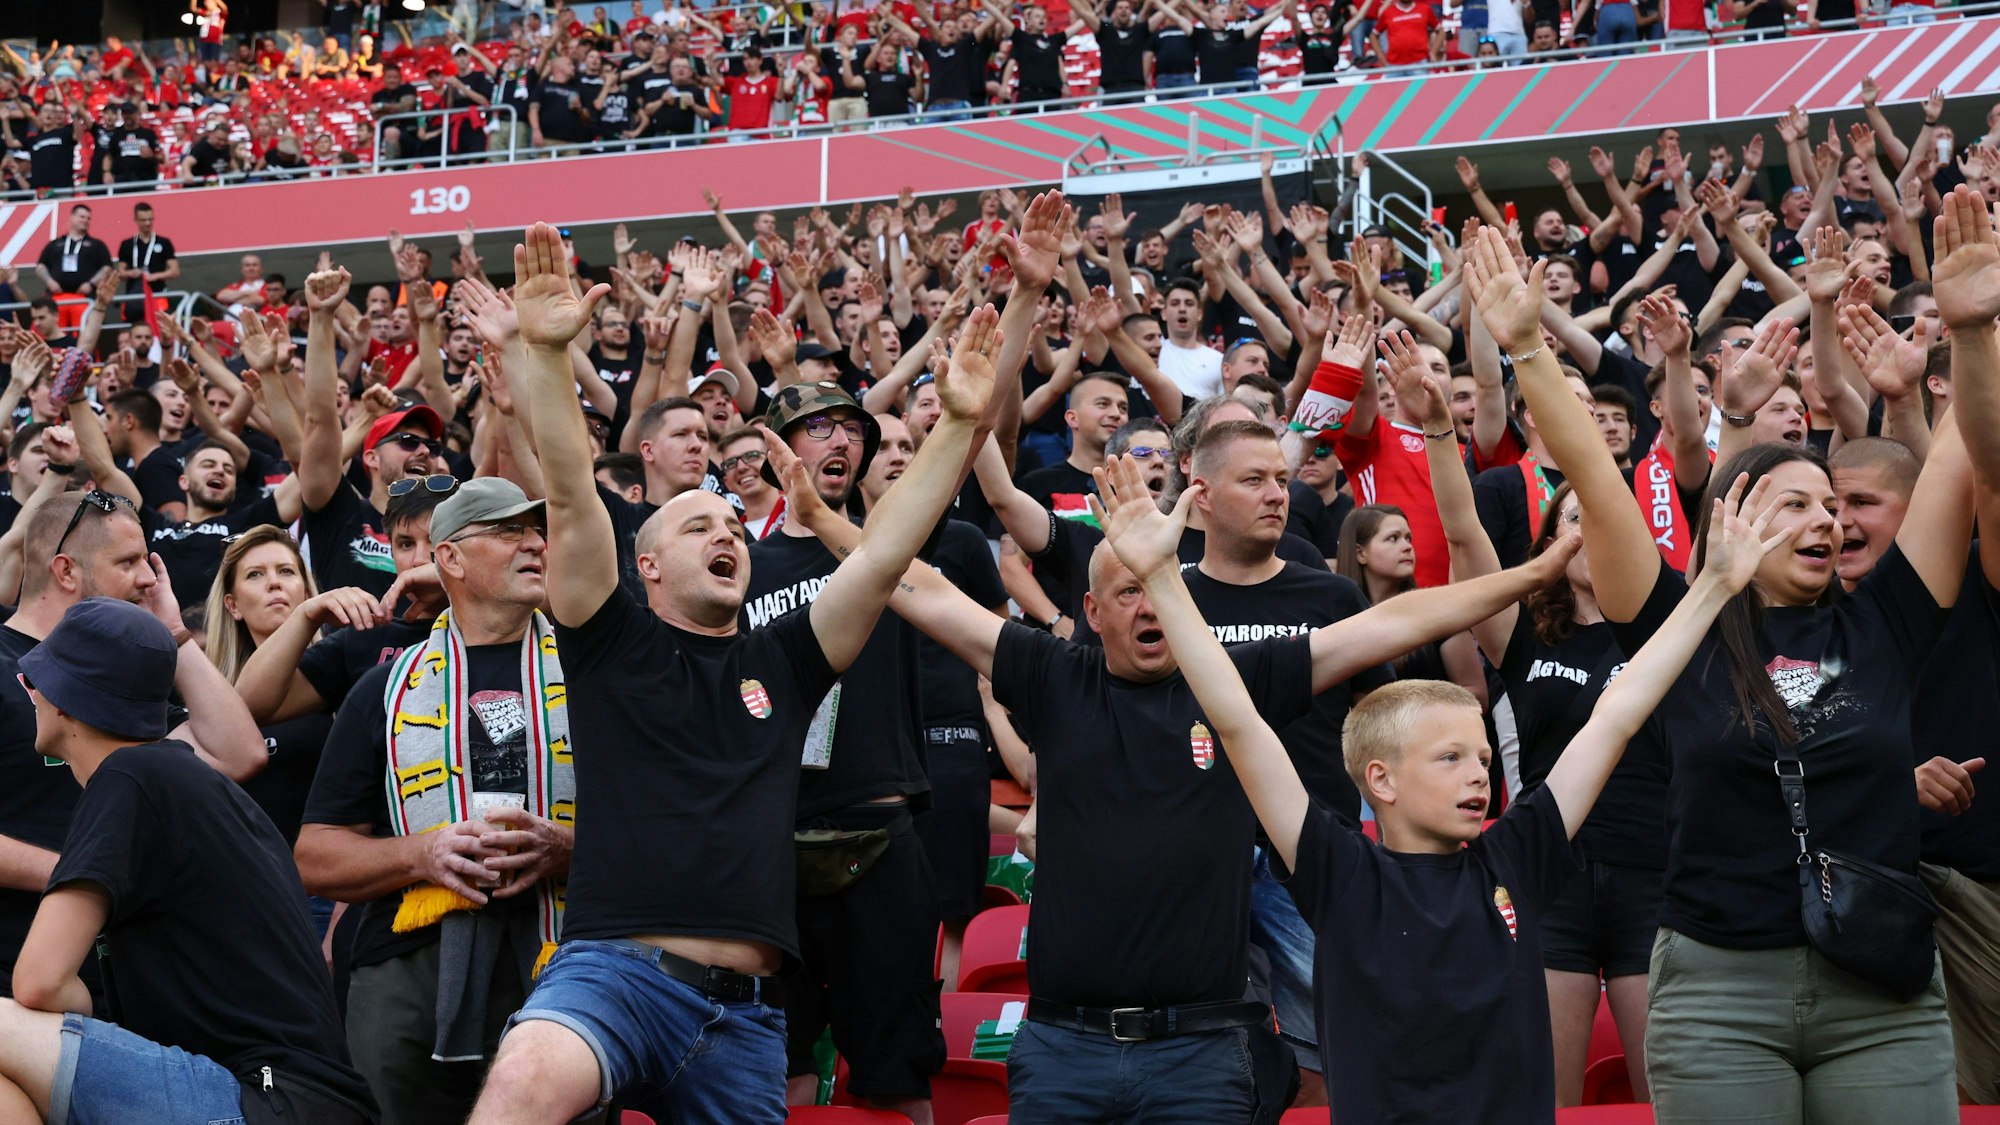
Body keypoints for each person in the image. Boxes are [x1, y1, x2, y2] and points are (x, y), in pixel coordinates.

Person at [793, 420, 1581, 1119]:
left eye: (1157, 587)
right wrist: (826, 520)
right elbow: (916, 584)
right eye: (1125, 591)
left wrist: (1532, 578)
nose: (1147, 607)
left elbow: (1390, 622)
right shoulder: (1052, 674)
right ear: (1091, 613)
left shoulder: (1229, 679)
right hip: (1064, 1045)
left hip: (1203, 1049)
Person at [463, 222, 997, 1124]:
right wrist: (547, 361)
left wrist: (956, 424)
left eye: (729, 524)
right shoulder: (607, 635)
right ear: (649, 568)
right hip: (612, 976)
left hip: (744, 1016)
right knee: (520, 1088)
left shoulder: (784, 660)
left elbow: (886, 551)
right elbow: (567, 490)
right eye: (694, 525)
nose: (722, 533)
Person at [1090, 424, 1776, 1119]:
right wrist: (1161, 580)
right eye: (1450, 758)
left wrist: (1714, 586)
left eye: (1481, 756)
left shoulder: (1516, 852)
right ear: (1380, 780)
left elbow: (1618, 712)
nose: (1479, 775)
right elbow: (1237, 719)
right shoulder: (1339, 869)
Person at [1466, 217, 1977, 1123]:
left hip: (1883, 991)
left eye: (1832, 507)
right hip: (1718, 991)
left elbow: (1961, 464)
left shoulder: (1886, 619)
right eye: (1796, 505)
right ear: (1734, 517)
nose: (1825, 522)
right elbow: (1590, 467)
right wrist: (1526, 350)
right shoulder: (1678, 626)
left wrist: (1977, 332)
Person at [0, 597, 377, 1124]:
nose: (31, 694)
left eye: (32, 683)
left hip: (264, 1097)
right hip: (294, 1098)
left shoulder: (128, 778)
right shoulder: (179, 779)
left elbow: (37, 981)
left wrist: (74, 1021)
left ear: (63, 700)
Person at [297, 477, 574, 1125]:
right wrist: (426, 853)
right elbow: (314, 856)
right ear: (448, 557)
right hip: (408, 965)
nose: (534, 543)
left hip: (564, 955)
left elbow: (653, 827)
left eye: (539, 530)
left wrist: (566, 847)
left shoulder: (598, 673)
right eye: (509, 530)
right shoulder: (385, 687)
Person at [1179, 418, 1390, 1108]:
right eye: (1253, 480)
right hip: (1193, 859)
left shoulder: (1330, 596)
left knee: (1328, 1053)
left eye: (1280, 478)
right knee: (1199, 1060)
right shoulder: (1166, 601)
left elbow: (1386, 716)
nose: (1277, 493)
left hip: (1313, 854)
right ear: (1200, 493)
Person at [299, 266, 448, 598]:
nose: (425, 452)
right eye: (408, 441)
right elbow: (320, 419)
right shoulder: (340, 513)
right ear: (371, 456)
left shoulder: (451, 528)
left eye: (433, 447)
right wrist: (322, 318)